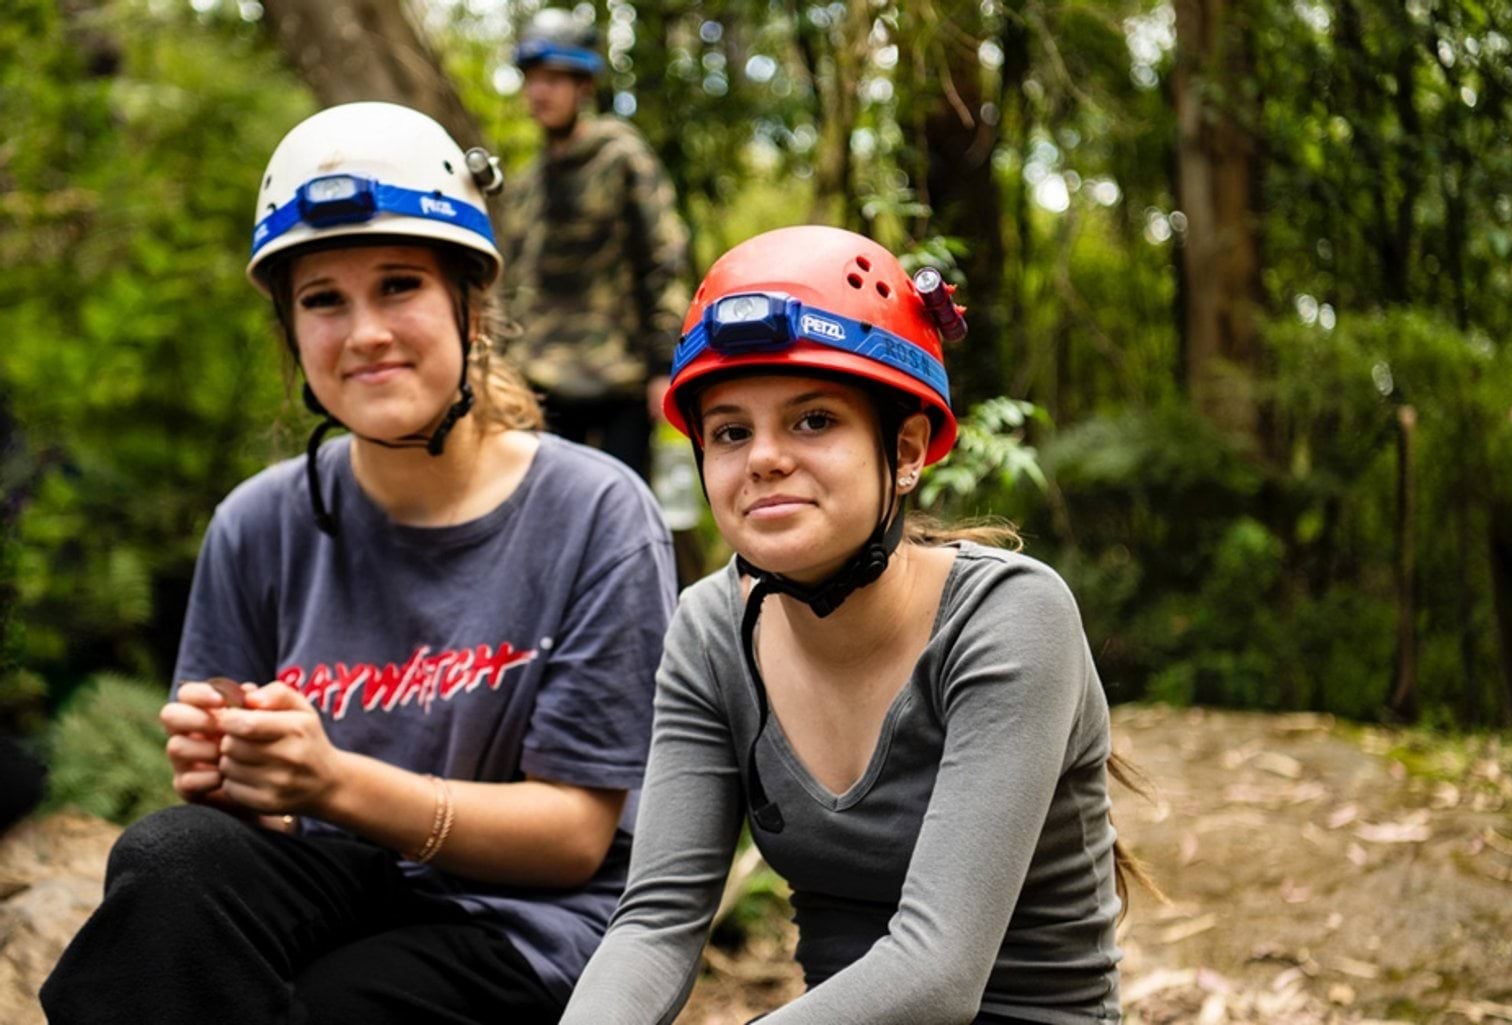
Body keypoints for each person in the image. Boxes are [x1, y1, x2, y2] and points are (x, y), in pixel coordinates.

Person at [41, 101, 676, 1025]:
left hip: (526, 923)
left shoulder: (595, 514)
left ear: (471, 304)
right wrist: (237, 773)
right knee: (169, 863)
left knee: (332, 1004)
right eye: (323, 299)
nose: (365, 331)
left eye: (399, 285)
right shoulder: (259, 524)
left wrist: (332, 778)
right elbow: (260, 831)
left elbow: (576, 838)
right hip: (339, 881)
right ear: (292, 333)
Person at [560, 226, 1145, 1025]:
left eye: (812, 421)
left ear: (905, 450)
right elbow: (657, 923)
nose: (763, 457)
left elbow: (936, 969)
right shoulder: (707, 632)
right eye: (731, 431)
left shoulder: (1008, 618)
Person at [501, 7, 692, 483]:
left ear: (583, 86)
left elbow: (662, 259)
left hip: (618, 385)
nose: (539, 92)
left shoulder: (620, 156)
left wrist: (663, 366)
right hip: (540, 387)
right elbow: (511, 285)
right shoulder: (526, 184)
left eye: (554, 79)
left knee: (620, 517)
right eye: (532, 79)